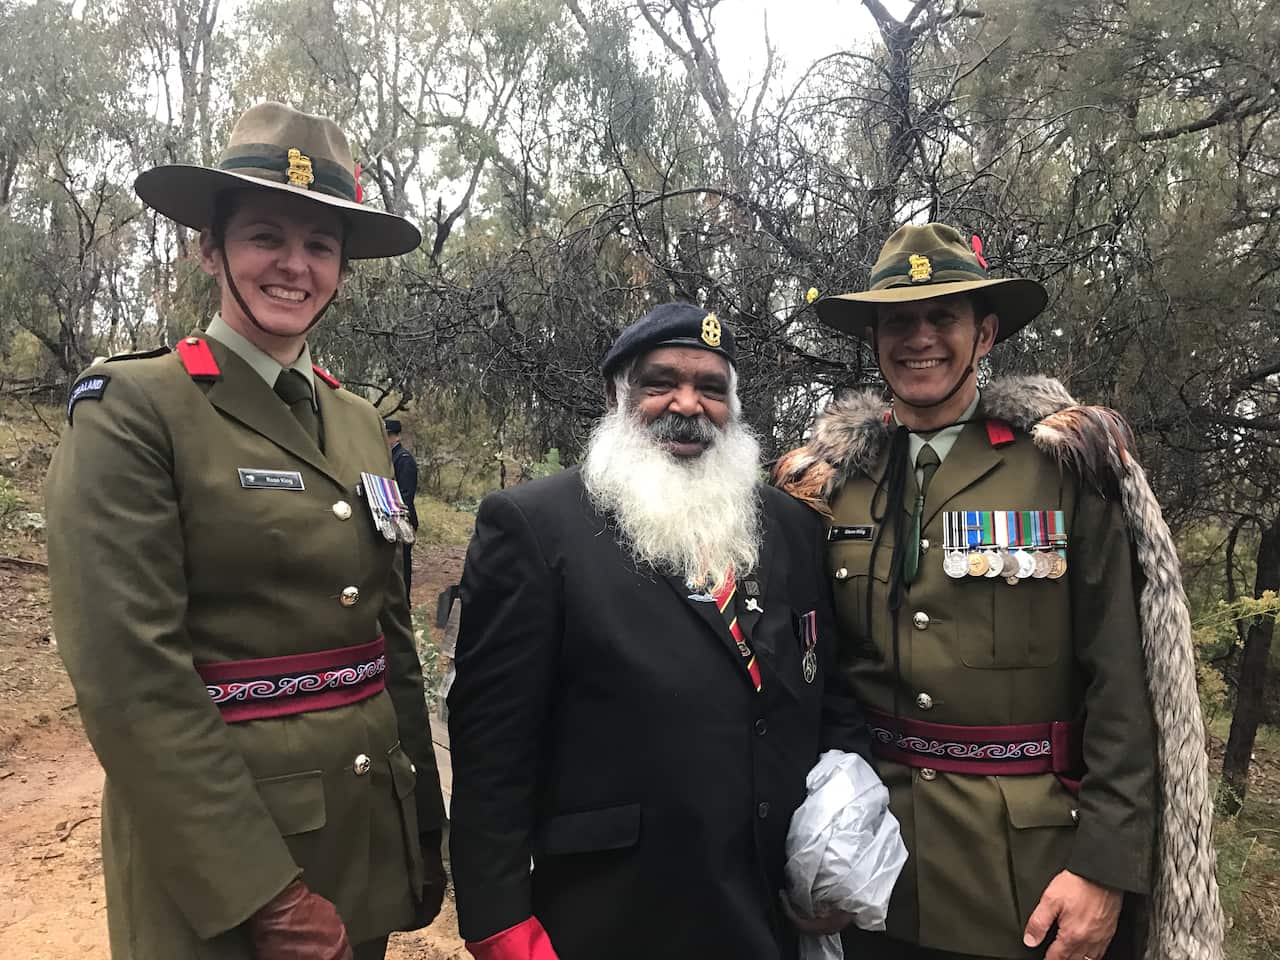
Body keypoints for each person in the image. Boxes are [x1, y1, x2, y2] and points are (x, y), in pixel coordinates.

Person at [45, 102, 447, 960]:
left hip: (360, 834)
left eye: (320, 246)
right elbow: (129, 676)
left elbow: (389, 638)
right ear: (211, 249)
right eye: (267, 236)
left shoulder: (357, 422)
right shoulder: (136, 409)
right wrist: (265, 895)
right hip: (225, 864)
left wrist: (422, 824)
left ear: (341, 270)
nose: (295, 266)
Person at [774, 224, 1223, 960]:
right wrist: (809, 845)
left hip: (1030, 878)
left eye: (942, 317)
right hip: (873, 870)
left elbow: (1123, 683)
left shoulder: (1064, 469)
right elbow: (809, 677)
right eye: (898, 321)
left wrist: (1103, 869)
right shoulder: (826, 486)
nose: (920, 338)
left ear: (984, 335)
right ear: (874, 338)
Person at [447, 303, 869, 960]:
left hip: (773, 909)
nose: (688, 404)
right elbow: (490, 746)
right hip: (616, 915)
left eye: (711, 388)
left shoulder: (790, 526)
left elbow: (830, 693)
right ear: (614, 395)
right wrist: (498, 921)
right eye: (660, 382)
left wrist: (842, 851)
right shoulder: (534, 527)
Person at [385, 418, 420, 598]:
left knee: (402, 563)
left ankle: (404, 601)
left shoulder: (404, 459)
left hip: (402, 518)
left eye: (387, 435)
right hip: (388, 517)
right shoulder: (389, 457)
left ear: (396, 436)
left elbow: (406, 493)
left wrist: (396, 515)